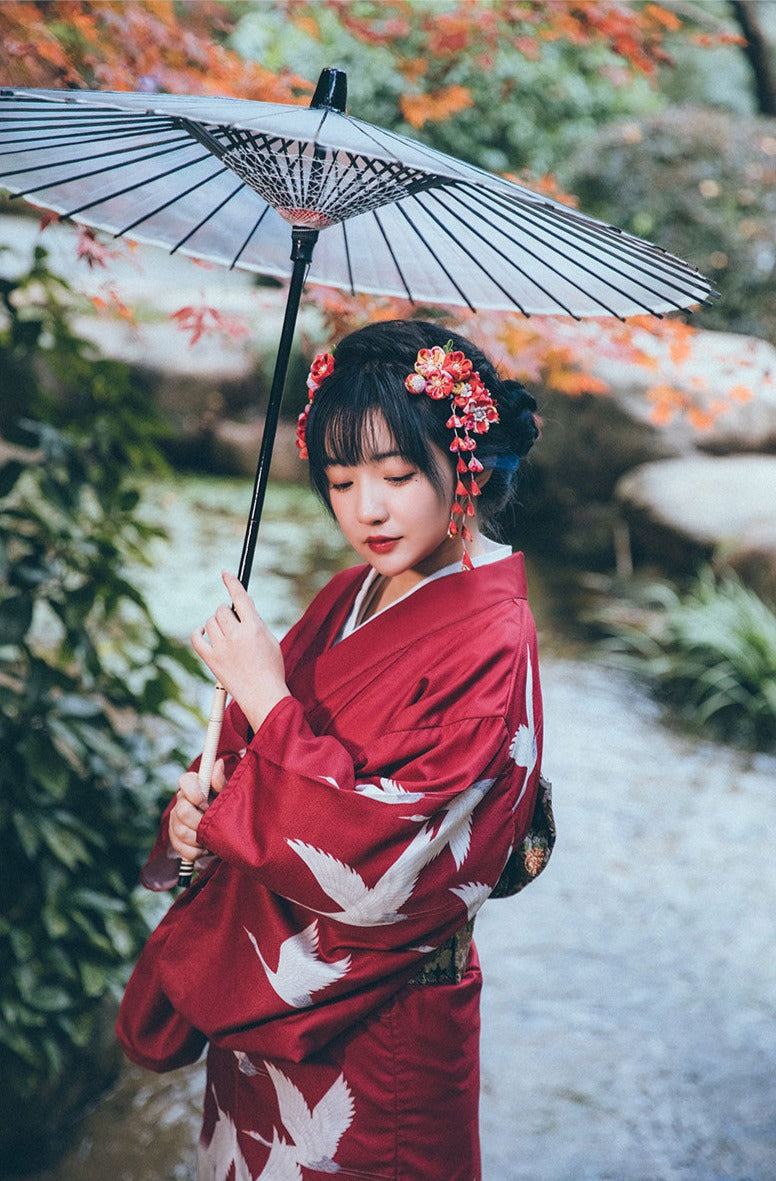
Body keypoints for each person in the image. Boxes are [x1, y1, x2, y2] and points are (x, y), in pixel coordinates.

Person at [116, 319, 553, 1181]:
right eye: (342, 478)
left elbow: (383, 859)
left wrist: (266, 696)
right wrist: (199, 812)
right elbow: (254, 773)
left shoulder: (492, 635)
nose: (368, 508)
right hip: (272, 1002)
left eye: (396, 474)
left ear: (461, 461)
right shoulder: (355, 590)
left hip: (376, 1023)